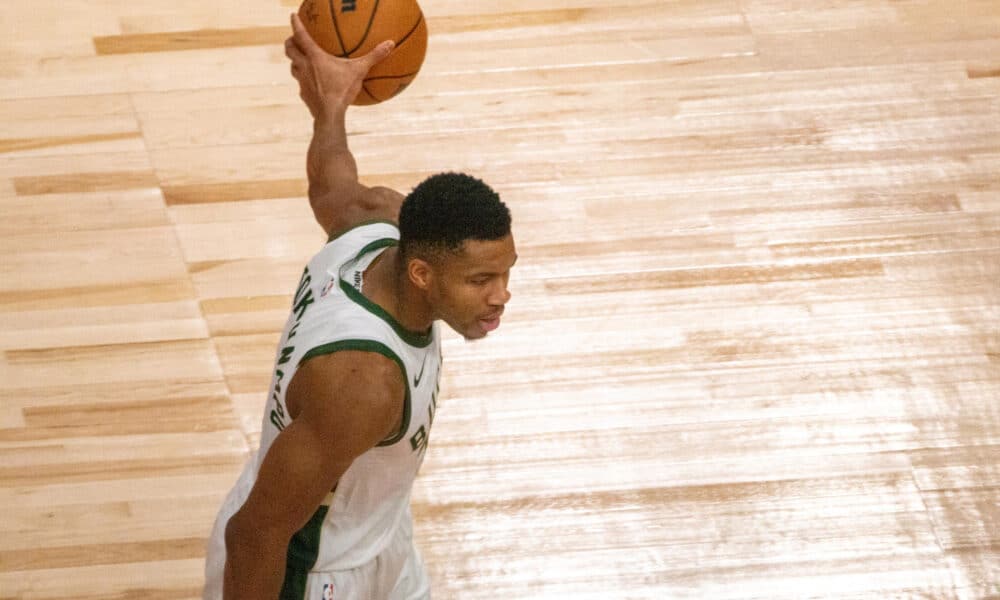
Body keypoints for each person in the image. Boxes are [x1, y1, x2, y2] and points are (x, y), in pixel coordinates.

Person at [202, 13, 516, 600]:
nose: (501, 296)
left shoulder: (376, 226)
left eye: (505, 273)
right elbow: (256, 535)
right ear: (422, 273)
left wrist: (331, 106)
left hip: (371, 531)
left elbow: (331, 183)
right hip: (311, 569)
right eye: (481, 280)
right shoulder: (363, 383)